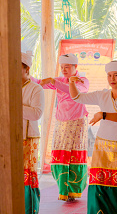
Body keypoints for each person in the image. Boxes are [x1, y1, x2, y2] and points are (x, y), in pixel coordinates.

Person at [69, 58, 117, 214]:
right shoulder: (102, 94)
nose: (112, 79)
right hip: (103, 142)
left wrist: (103, 114)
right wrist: (71, 82)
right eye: (109, 75)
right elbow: (77, 97)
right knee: (100, 179)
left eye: (116, 75)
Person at [35, 53, 89, 201]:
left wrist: (54, 81)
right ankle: (63, 189)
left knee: (74, 154)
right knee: (60, 154)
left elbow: (74, 92)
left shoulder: (82, 80)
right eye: (62, 67)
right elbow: (40, 82)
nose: (64, 70)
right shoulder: (58, 80)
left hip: (77, 122)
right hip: (61, 122)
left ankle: (74, 189)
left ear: (75, 67)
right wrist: (27, 78)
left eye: (67, 67)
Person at [21, 51, 44, 214]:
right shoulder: (6, 86)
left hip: (28, 137)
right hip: (7, 136)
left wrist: (14, 104)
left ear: (26, 68)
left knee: (27, 175)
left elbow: (36, 114)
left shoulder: (36, 88)